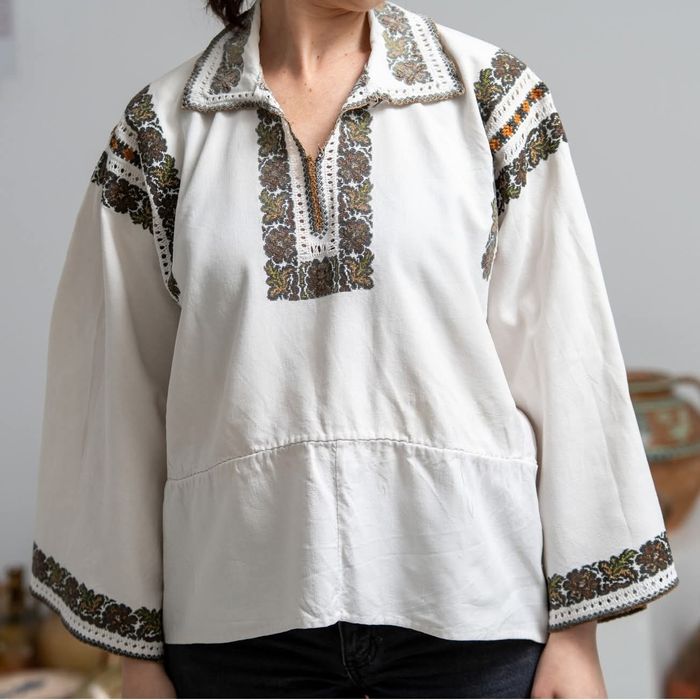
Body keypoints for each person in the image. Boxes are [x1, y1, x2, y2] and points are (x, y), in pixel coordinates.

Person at [28, 0, 680, 697]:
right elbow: (117, 392)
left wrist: (577, 638)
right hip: (238, 627)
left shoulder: (490, 98)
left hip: (472, 614)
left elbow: (567, 357)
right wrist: (136, 659)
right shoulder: (162, 132)